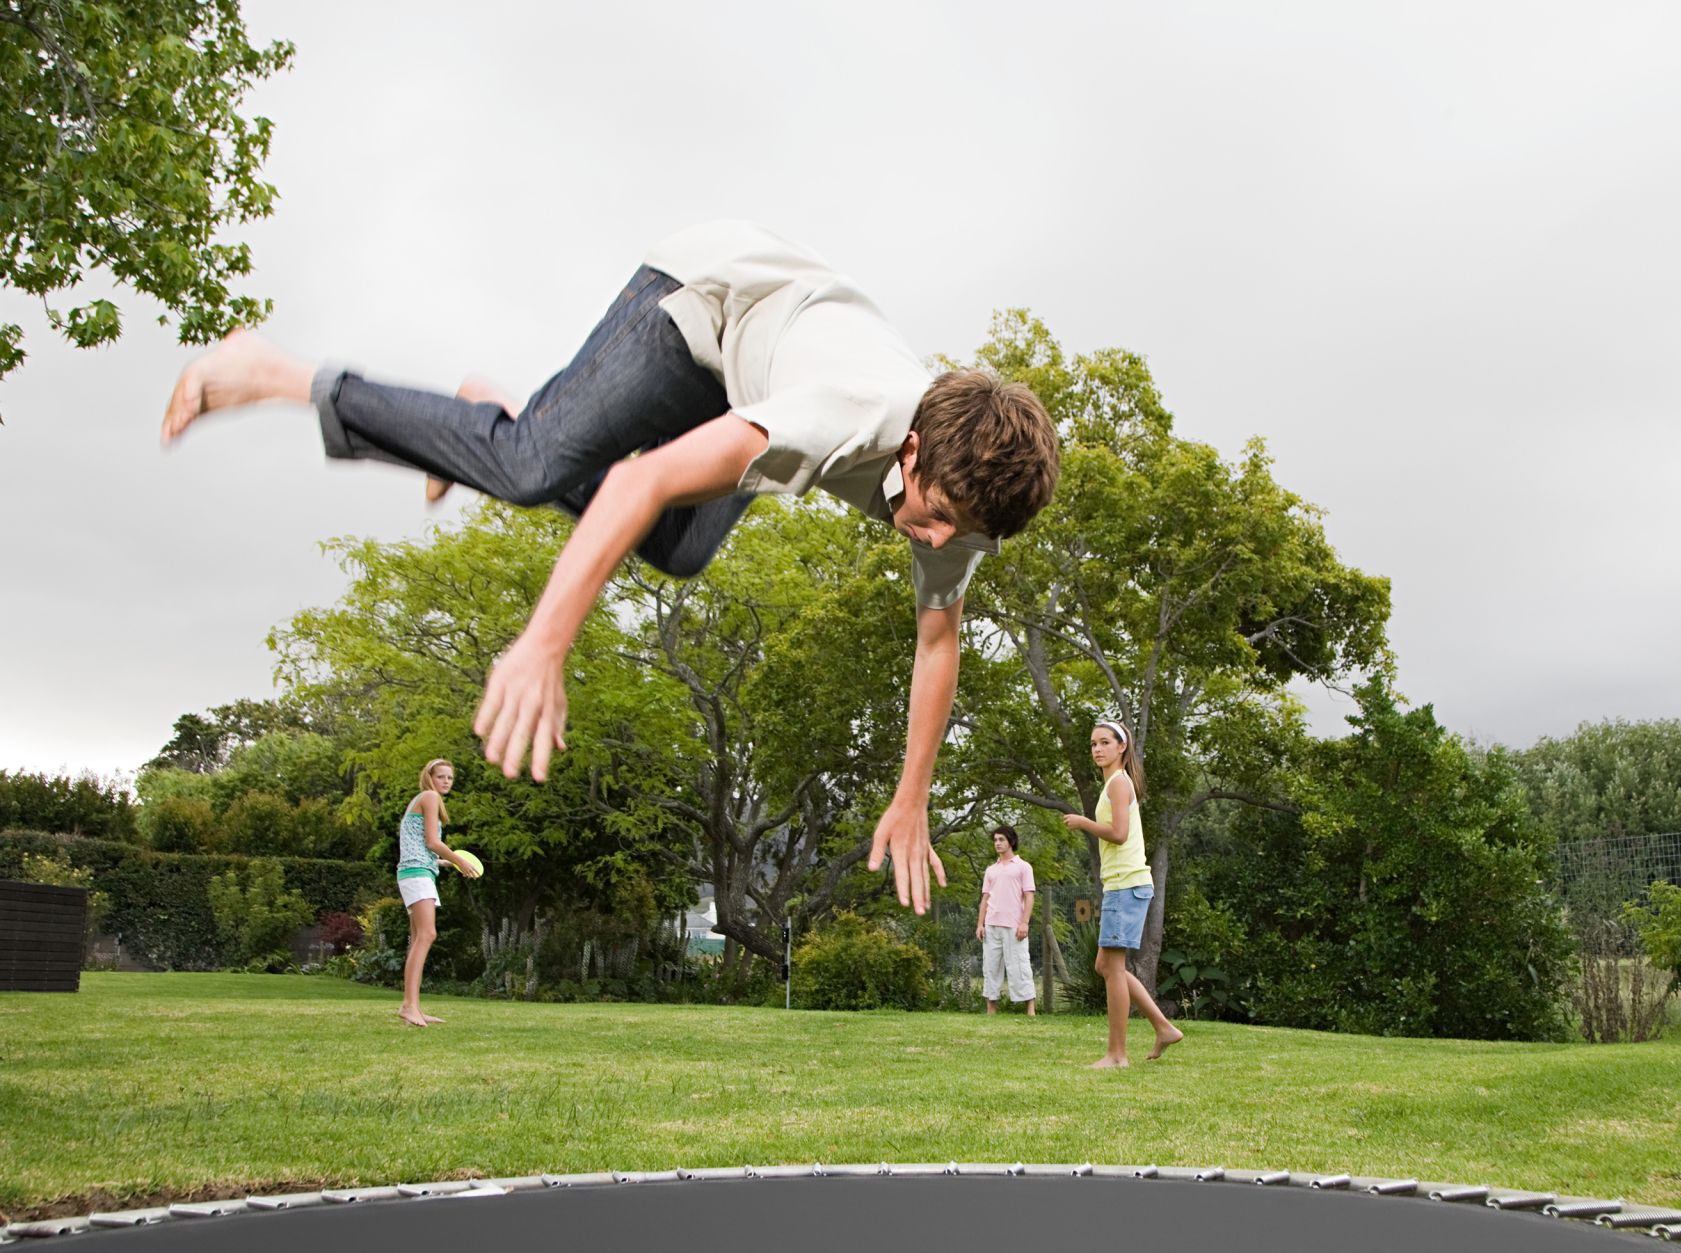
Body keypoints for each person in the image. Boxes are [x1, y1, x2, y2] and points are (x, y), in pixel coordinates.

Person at [161, 221, 1061, 914]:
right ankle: (274, 372)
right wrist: (542, 645)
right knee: (531, 469)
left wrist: (911, 798)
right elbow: (638, 479)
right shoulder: (839, 418)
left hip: (761, 372)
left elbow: (937, 638)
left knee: (676, 547)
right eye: (934, 516)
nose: (935, 542)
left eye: (961, 534)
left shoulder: (973, 501)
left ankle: (492, 426)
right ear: (909, 450)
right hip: (704, 300)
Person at [1064, 721, 1183, 1067]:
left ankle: (1117, 1055)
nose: (1097, 749)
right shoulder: (1114, 784)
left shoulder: (1118, 784)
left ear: (1121, 747)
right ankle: (1163, 1027)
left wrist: (1083, 822)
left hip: (1126, 885)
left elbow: (1118, 833)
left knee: (1113, 968)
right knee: (1105, 964)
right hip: (1122, 884)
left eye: (1104, 743)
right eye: (1093, 744)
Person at [395, 758, 479, 1027]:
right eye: (441, 776)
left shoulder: (423, 799)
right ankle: (409, 1006)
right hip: (416, 874)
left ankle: (413, 1007)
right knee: (428, 934)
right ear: (429, 777)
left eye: (450, 778)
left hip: (417, 871)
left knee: (418, 937)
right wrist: (458, 860)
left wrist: (441, 861)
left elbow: (420, 844)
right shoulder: (429, 796)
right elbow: (433, 841)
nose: (446, 782)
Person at [976, 824, 1037, 1016]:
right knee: (991, 968)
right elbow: (985, 899)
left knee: (1019, 966)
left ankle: (1031, 1009)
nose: (997, 843)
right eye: (995, 840)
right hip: (991, 926)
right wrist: (980, 924)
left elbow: (1029, 896)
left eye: (1001, 839)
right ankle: (991, 1009)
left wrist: (1024, 922)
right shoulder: (991, 870)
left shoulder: (1023, 867)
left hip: (1014, 926)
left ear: (1011, 841)